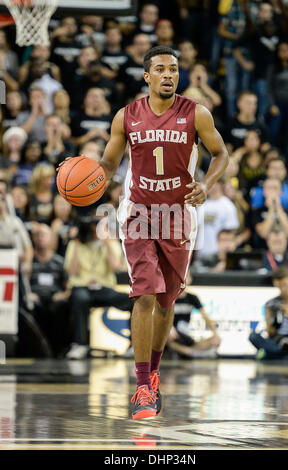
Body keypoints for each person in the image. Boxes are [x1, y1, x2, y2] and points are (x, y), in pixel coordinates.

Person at [62, 45, 228, 419]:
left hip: (179, 214)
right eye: (161, 69)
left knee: (168, 300)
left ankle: (153, 372)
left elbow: (221, 154)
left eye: (174, 69)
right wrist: (80, 171)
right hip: (137, 213)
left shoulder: (196, 114)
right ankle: (141, 387)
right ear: (146, 76)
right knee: (145, 295)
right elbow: (107, 162)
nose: (169, 75)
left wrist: (207, 184)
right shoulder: (126, 116)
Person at [64, 216, 133, 360]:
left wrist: (107, 242)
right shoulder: (75, 244)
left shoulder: (110, 244)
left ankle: (134, 345)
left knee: (133, 301)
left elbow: (116, 267)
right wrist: (77, 241)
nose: (95, 232)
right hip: (81, 287)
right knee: (80, 298)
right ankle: (80, 344)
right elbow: (71, 271)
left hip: (104, 289)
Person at [29, 223, 70, 357]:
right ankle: (36, 349)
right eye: (37, 235)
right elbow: (23, 284)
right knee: (31, 306)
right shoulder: (30, 261)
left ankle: (57, 349)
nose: (40, 238)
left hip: (54, 298)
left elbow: (68, 286)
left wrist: (63, 295)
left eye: (44, 235)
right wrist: (28, 294)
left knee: (60, 307)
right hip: (36, 297)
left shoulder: (59, 261)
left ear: (52, 238)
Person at [249, 266, 288, 360]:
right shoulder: (271, 304)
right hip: (277, 340)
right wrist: (274, 319)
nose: (283, 289)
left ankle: (272, 354)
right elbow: (270, 332)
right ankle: (284, 355)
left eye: (285, 285)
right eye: (281, 286)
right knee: (253, 336)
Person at [167, 271, 221, 358]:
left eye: (186, 277)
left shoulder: (192, 297)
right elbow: (161, 317)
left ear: (190, 279)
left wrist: (215, 334)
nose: (183, 280)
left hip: (185, 335)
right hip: (170, 334)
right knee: (165, 335)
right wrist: (169, 328)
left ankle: (189, 351)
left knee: (212, 340)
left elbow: (205, 317)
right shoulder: (169, 297)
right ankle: (191, 352)